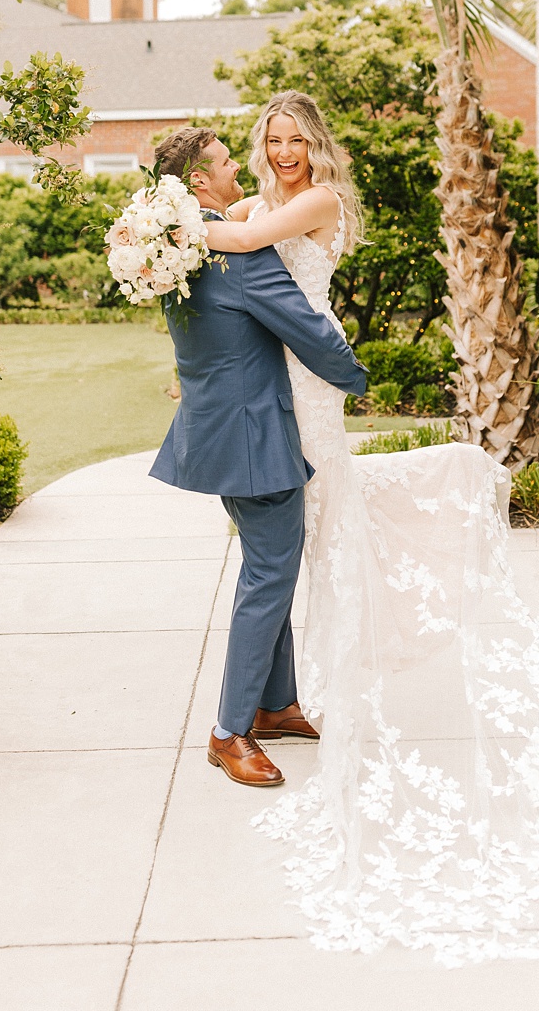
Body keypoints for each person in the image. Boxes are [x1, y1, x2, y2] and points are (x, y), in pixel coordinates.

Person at [199, 92, 539, 965]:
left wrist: (173, 231)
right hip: (280, 383)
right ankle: (274, 704)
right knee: (289, 544)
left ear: (317, 143)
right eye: (273, 140)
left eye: (295, 137)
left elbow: (232, 239)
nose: (285, 150)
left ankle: (256, 713)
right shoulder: (263, 199)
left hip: (310, 382)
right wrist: (194, 214)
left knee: (299, 540)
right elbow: (228, 218)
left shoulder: (317, 203)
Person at [146, 126, 367, 789]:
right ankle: (228, 731)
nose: (239, 169)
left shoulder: (169, 249)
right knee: (270, 572)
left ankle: (276, 703)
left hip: (217, 422)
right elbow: (303, 324)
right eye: (221, 164)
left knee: (270, 562)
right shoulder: (237, 255)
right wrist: (355, 374)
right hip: (257, 433)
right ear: (200, 185)